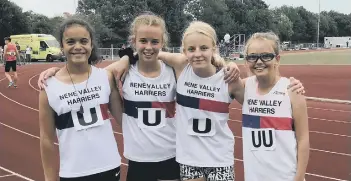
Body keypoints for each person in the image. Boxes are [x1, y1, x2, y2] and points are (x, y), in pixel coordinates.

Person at [37, 13, 241, 181]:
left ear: (162, 43)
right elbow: (87, 76)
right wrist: (55, 71)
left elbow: (203, 59)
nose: (149, 46)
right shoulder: (120, 71)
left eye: (155, 42)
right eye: (143, 41)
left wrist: (225, 63)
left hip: (171, 157)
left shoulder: (174, 69)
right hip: (137, 161)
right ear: (134, 41)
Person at [154, 21, 305, 181]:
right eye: (191, 49)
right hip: (189, 159)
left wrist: (289, 85)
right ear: (184, 51)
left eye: (204, 48)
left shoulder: (228, 79)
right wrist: (126, 60)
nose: (197, 53)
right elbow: (152, 52)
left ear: (214, 48)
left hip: (220, 159)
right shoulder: (181, 66)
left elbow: (259, 93)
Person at [38, 18, 123, 181]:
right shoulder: (48, 87)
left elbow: (125, 120)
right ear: (62, 46)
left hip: (109, 167)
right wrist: (49, 178)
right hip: (73, 172)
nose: (78, 47)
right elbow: (47, 139)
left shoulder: (106, 77)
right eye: (70, 41)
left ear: (91, 45)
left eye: (84, 41)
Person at [241, 32, 309, 181]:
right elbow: (221, 76)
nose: (259, 61)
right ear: (246, 61)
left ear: (277, 59)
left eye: (266, 56)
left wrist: (299, 177)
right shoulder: (245, 87)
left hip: (286, 176)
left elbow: (303, 139)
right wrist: (230, 65)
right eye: (252, 57)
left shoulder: (292, 90)